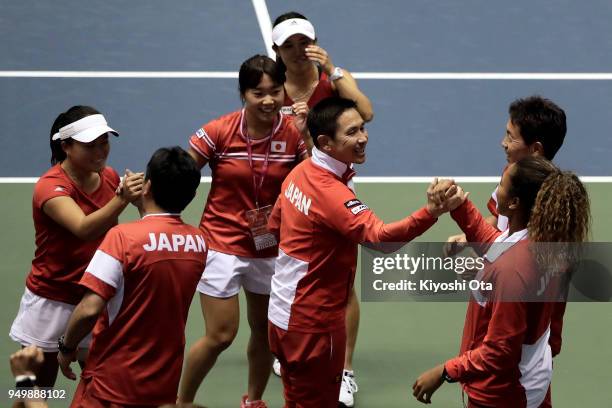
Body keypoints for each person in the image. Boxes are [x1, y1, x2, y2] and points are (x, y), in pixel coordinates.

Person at [267, 97, 456, 407]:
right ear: (326, 143)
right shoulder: (330, 192)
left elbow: (276, 225)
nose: (363, 138)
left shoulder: (299, 174)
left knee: (295, 398)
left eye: (363, 128)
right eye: (352, 132)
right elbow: (381, 239)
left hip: (282, 315)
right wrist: (431, 212)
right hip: (314, 325)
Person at [178, 55, 309, 408]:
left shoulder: (294, 134)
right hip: (221, 244)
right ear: (243, 94)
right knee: (221, 335)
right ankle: (182, 402)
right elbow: (181, 175)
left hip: (269, 246)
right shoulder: (220, 132)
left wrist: (307, 134)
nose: (268, 100)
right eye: (257, 92)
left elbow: (315, 179)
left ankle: (253, 401)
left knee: (266, 335)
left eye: (275, 91)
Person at [413, 156, 590, 407]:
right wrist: (459, 205)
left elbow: (498, 353)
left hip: (502, 393)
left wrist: (444, 371)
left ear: (515, 202)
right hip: (534, 374)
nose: (496, 191)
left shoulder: (512, 271)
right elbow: (499, 246)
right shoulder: (549, 244)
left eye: (502, 185)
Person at [271, 12, 374, 405]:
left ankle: (344, 370)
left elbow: (365, 112)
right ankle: (292, 344)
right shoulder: (271, 87)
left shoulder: (331, 83)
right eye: (289, 45)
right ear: (277, 49)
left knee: (341, 280)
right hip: (289, 189)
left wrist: (334, 70)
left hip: (329, 189)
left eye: (304, 42)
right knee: (285, 270)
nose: (298, 52)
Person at [57, 146, 206, 407]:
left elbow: (90, 309)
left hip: (111, 385)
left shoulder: (122, 238)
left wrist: (67, 347)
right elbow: (162, 246)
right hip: (163, 384)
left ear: (146, 187)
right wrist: (145, 205)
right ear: (193, 195)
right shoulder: (199, 242)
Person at [9, 106, 144, 388]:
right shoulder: (50, 187)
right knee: (37, 389)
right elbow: (84, 229)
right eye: (90, 146)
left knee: (104, 385)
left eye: (104, 142)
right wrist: (121, 199)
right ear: (66, 147)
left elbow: (110, 235)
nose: (100, 151)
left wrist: (143, 201)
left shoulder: (109, 177)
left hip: (94, 299)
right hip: (51, 300)